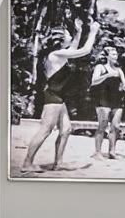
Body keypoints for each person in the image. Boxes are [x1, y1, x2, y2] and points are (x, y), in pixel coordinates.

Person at [22, 17, 100, 172]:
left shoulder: (59, 54)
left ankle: (58, 163)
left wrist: (78, 32)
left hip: (59, 97)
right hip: (53, 97)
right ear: (60, 39)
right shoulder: (55, 55)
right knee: (45, 130)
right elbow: (84, 51)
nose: (69, 35)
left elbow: (72, 50)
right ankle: (27, 163)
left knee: (66, 130)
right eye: (68, 34)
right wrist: (93, 32)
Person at [90, 46, 125, 160]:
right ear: (107, 56)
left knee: (115, 127)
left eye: (116, 54)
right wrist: (107, 75)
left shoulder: (119, 70)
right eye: (113, 54)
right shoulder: (100, 67)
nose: (115, 56)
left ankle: (112, 152)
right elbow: (93, 81)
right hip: (103, 100)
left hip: (117, 100)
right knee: (102, 126)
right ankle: (98, 152)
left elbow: (124, 87)